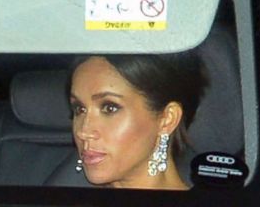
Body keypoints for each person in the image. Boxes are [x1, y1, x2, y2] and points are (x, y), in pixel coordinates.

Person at [68, 52, 206, 190]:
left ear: (167, 120)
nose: (83, 132)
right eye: (79, 109)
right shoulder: (64, 202)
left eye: (109, 108)